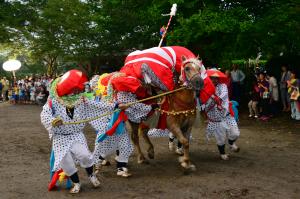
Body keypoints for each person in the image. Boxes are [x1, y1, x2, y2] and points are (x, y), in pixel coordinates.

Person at [41, 69, 107, 194]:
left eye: (77, 89)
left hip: (76, 135)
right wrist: (53, 120)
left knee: (85, 156)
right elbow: (45, 114)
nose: (76, 91)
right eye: (73, 88)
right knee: (67, 163)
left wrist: (115, 106)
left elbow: (97, 105)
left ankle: (92, 176)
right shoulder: (53, 100)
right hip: (60, 137)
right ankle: (76, 184)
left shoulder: (81, 99)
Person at [205, 70, 240, 160]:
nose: (214, 80)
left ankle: (231, 143)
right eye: (212, 78)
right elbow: (205, 105)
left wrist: (217, 98)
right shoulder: (205, 90)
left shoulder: (223, 86)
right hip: (216, 118)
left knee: (235, 133)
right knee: (221, 138)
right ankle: (222, 153)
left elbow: (224, 94)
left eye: (216, 78)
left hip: (227, 115)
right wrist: (212, 99)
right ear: (209, 79)